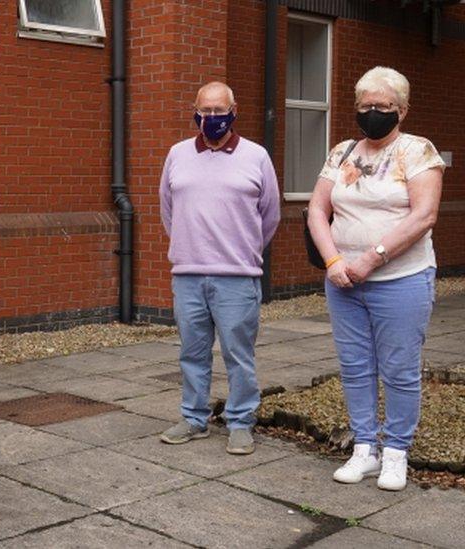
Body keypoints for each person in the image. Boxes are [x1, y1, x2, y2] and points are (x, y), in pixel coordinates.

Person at [307, 67, 444, 491]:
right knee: (355, 366)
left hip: (401, 278)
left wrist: (370, 259)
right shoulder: (342, 151)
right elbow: (316, 209)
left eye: (382, 106)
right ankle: (364, 447)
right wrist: (333, 263)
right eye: (364, 105)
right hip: (343, 281)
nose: (371, 112)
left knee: (399, 370)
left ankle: (396, 452)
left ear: (401, 110)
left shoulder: (418, 151)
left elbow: (424, 215)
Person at [158, 82, 281, 455]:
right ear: (195, 111)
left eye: (219, 110)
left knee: (238, 354)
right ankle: (194, 418)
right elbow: (168, 210)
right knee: (191, 353)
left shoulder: (256, 156)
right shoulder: (177, 154)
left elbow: (270, 215)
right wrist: (189, 248)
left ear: (234, 109)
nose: (212, 118)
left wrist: (240, 250)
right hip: (188, 275)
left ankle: (241, 421)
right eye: (205, 111)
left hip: (237, 276)